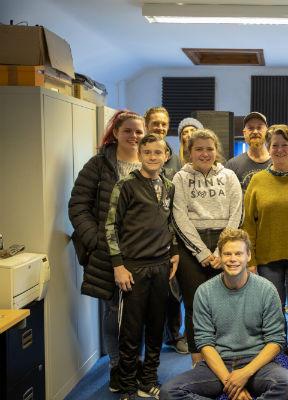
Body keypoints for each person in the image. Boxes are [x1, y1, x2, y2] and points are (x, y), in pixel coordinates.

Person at [160, 228, 288, 400]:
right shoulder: (204, 292)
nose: (233, 259)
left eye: (238, 253)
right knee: (169, 392)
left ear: (248, 256)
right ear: (220, 256)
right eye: (227, 254)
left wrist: (245, 374)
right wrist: (231, 382)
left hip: (257, 365)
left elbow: (276, 340)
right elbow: (204, 342)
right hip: (218, 365)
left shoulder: (266, 289)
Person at [68, 110, 145, 392]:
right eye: (128, 131)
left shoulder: (150, 161)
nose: (134, 136)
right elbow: (78, 206)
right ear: (115, 133)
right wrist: (97, 241)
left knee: (139, 314)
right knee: (114, 313)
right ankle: (116, 367)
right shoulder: (99, 164)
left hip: (143, 253)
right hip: (108, 254)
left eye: (139, 131)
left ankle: (135, 363)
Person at [105, 133, 179, 400]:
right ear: (139, 155)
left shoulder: (169, 186)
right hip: (133, 269)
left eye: (157, 152)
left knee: (156, 327)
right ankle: (126, 385)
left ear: (166, 156)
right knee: (131, 331)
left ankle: (148, 379)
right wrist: (118, 266)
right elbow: (111, 226)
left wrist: (174, 252)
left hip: (161, 267)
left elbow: (169, 224)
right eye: (147, 152)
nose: (152, 157)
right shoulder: (125, 185)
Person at [242, 124, 288, 367]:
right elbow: (248, 223)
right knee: (274, 311)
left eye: (285, 145)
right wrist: (250, 261)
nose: (280, 150)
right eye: (275, 145)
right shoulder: (257, 180)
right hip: (267, 258)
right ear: (268, 148)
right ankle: (278, 351)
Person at [172, 128, 242, 367]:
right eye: (199, 149)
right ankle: (198, 362)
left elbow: (237, 213)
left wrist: (221, 251)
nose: (205, 154)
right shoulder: (180, 178)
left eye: (209, 149)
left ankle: (224, 358)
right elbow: (179, 217)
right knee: (195, 306)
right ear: (189, 152)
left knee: (226, 303)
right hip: (192, 247)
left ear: (216, 151)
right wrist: (201, 252)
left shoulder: (229, 176)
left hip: (224, 243)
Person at [144, 106, 187, 354]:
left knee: (173, 290)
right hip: (143, 236)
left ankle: (174, 335)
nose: (160, 127)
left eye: (163, 124)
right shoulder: (140, 154)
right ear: (147, 124)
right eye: (155, 123)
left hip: (170, 233)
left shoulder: (174, 158)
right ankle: (148, 339)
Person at [225, 112, 270, 192]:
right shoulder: (232, 165)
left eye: (259, 128)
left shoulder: (277, 163)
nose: (255, 132)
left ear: (266, 132)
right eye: (250, 128)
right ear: (244, 133)